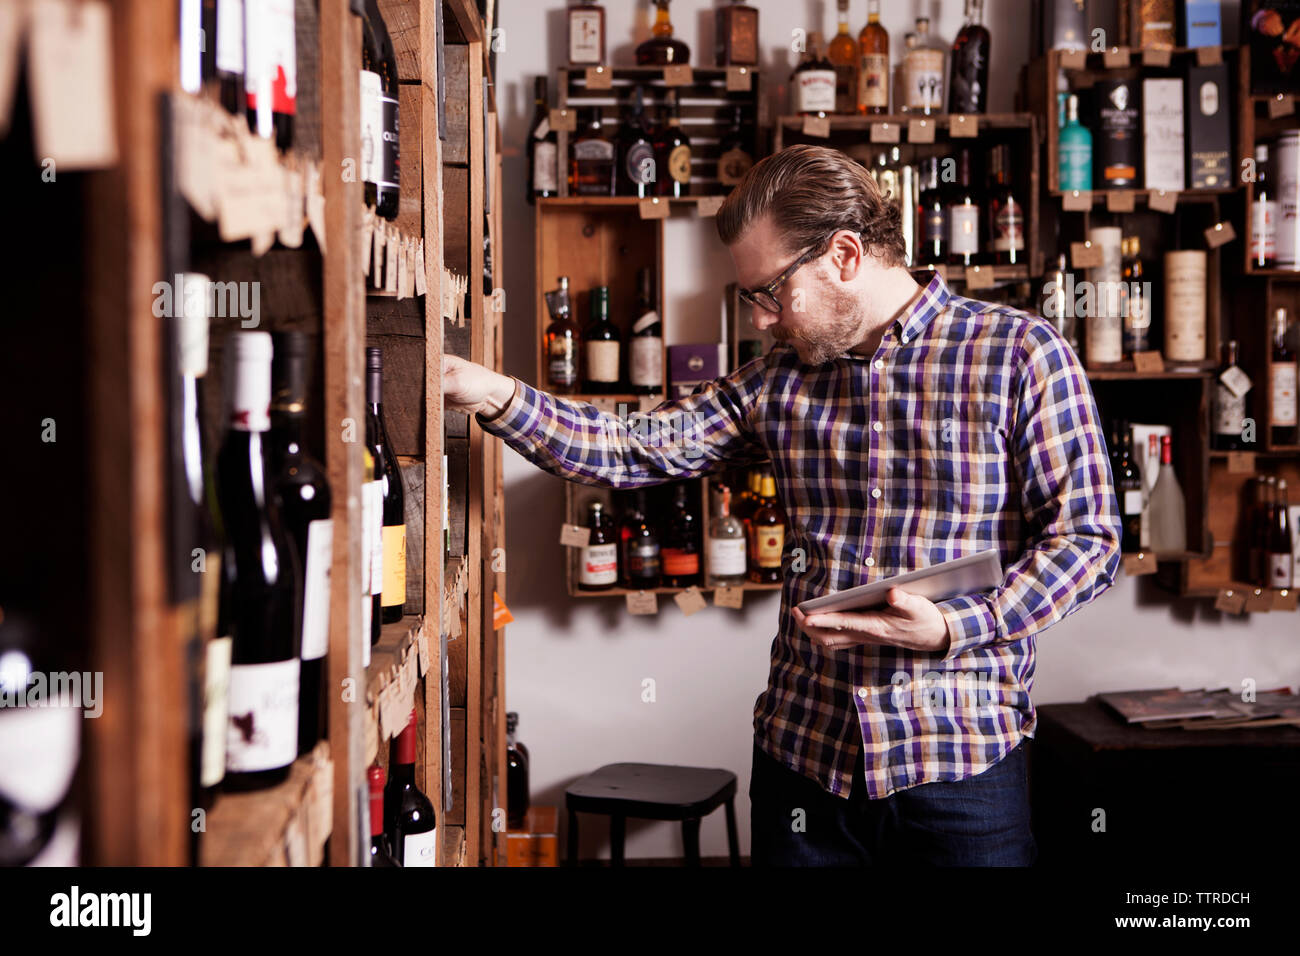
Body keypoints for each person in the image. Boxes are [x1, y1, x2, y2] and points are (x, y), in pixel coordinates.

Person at [443, 145, 1121, 866]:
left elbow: (1088, 540)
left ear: (845, 255)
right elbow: (637, 445)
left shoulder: (1020, 353)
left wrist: (959, 626)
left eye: (770, 292)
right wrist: (496, 394)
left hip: (963, 770)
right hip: (805, 764)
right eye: (751, 300)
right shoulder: (779, 379)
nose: (763, 321)